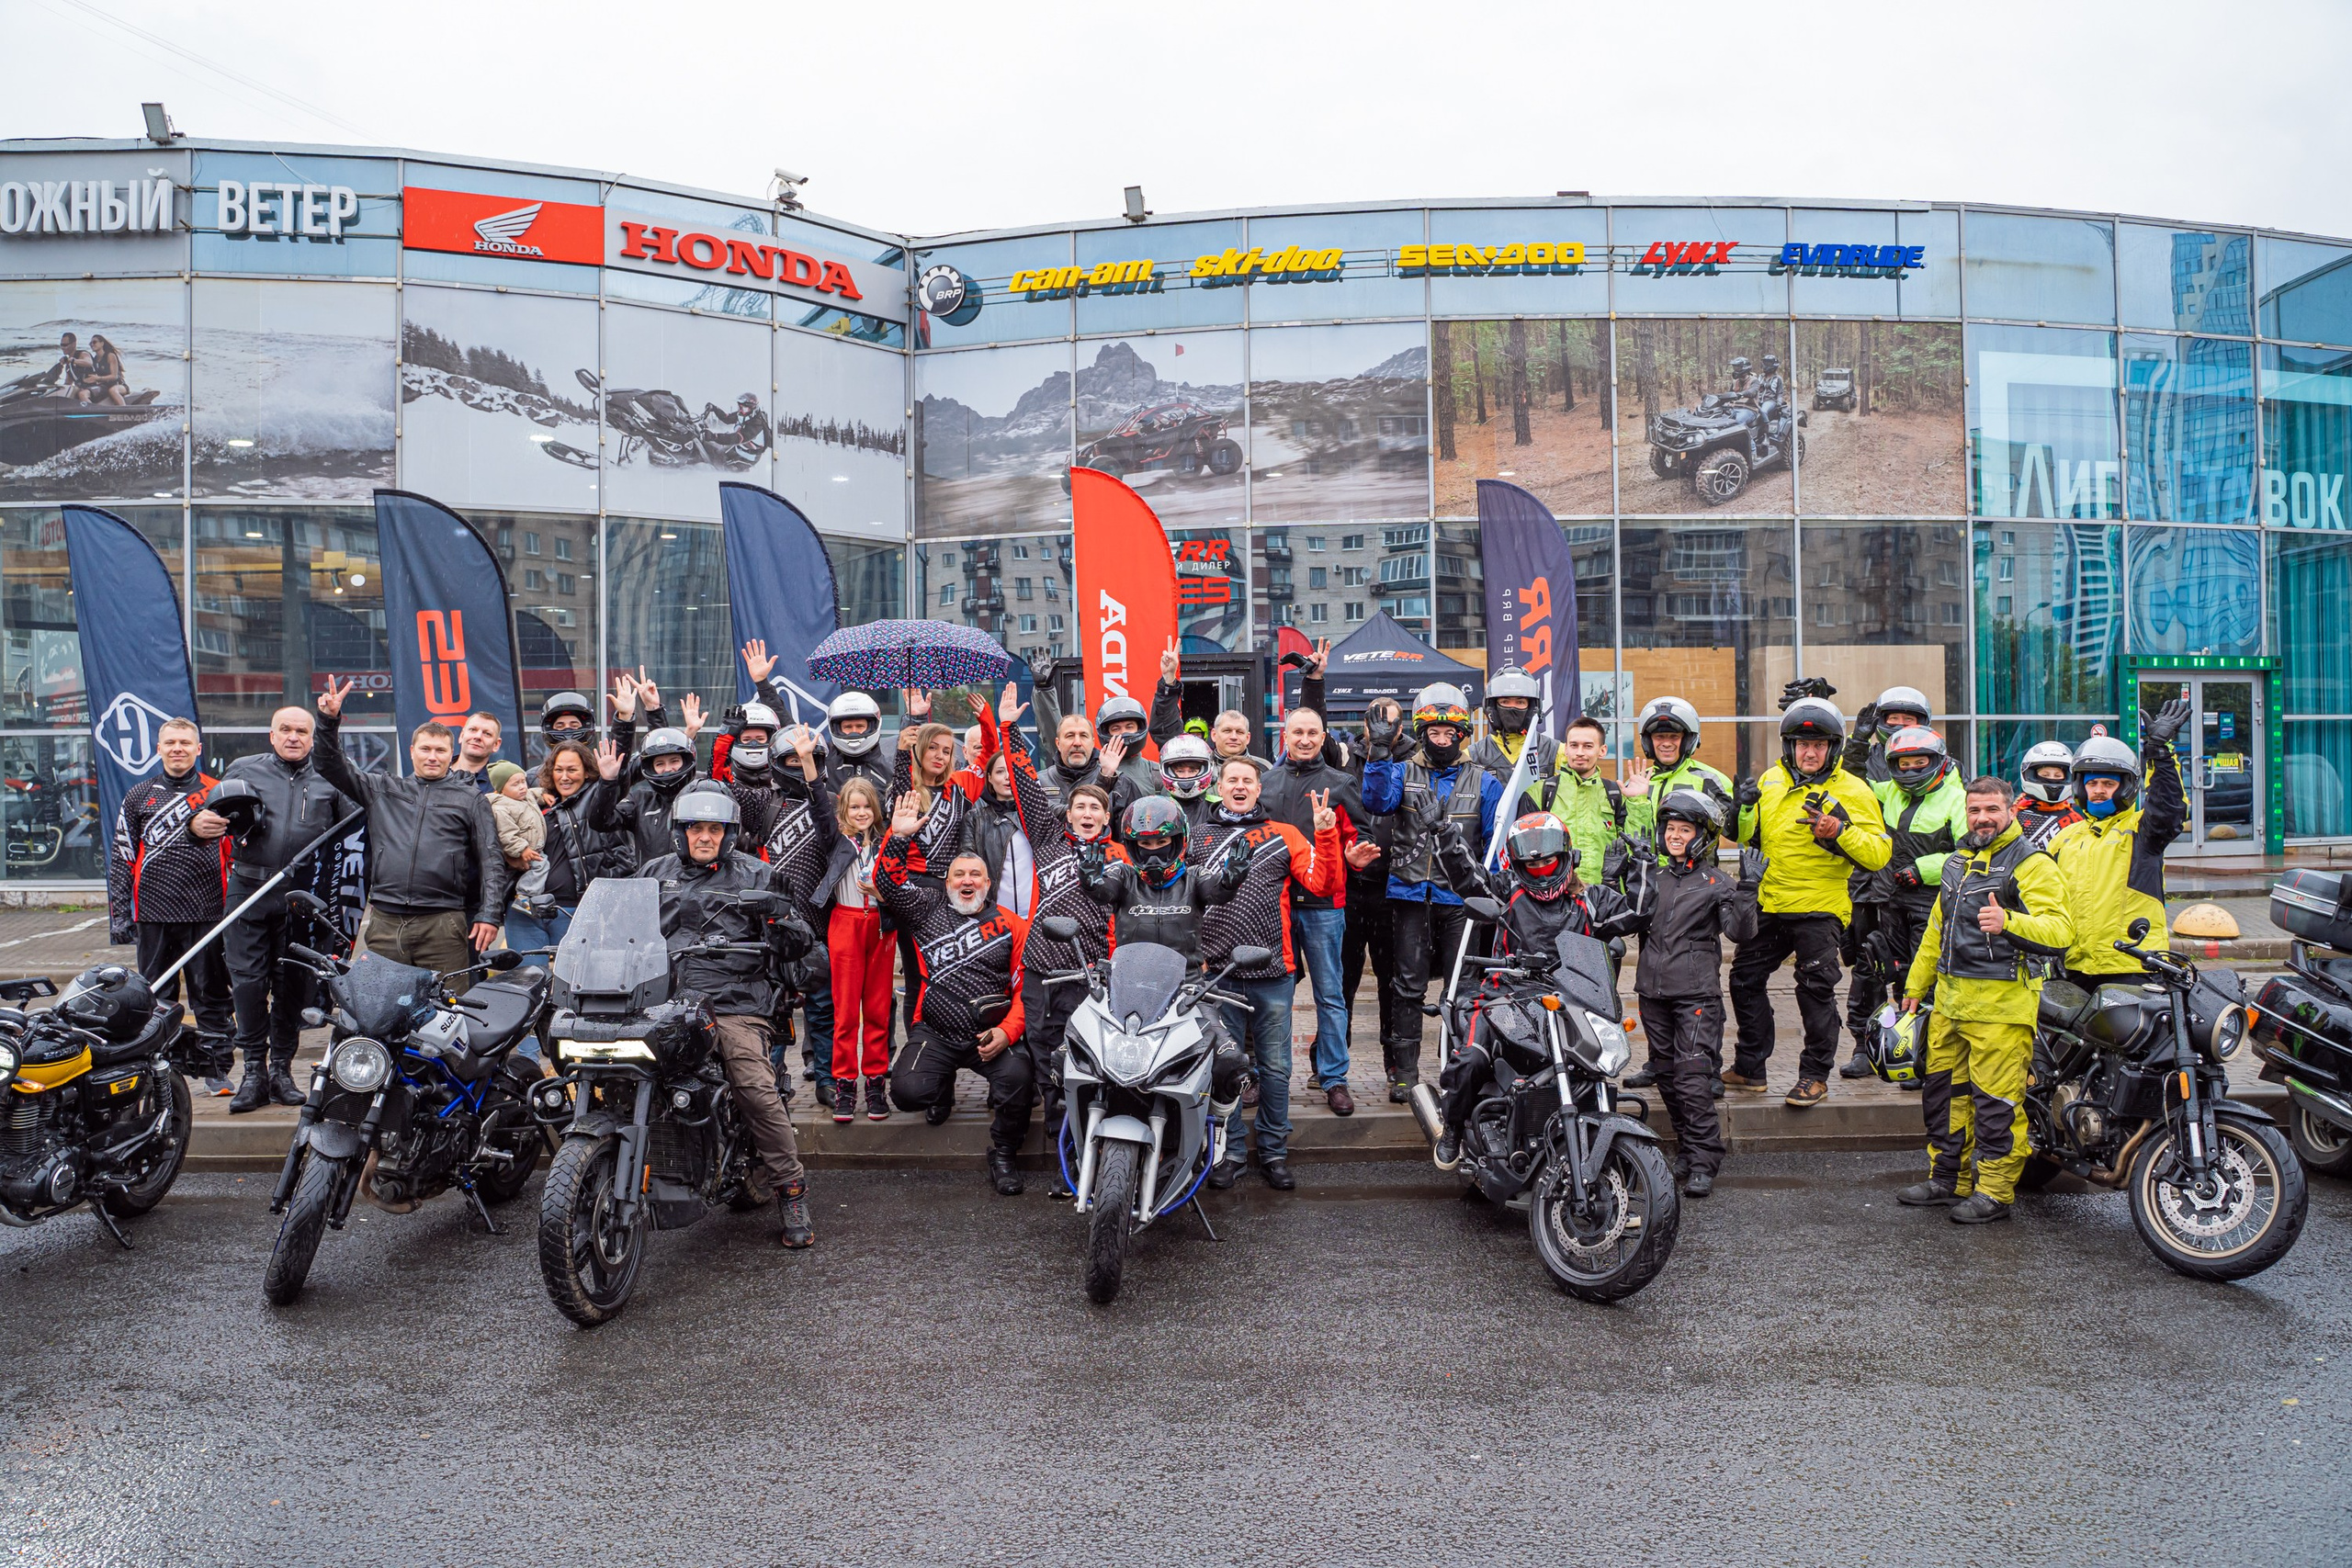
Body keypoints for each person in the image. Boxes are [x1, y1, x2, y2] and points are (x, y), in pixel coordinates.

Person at [639, 781, 814, 1247]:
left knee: (753, 1086)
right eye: (695, 827)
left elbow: (800, 941)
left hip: (733, 1002)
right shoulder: (653, 872)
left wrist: (778, 917)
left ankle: (790, 1188)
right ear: (679, 831)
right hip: (661, 999)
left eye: (714, 829)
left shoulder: (756, 875)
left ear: (729, 834)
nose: (704, 837)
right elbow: (618, 928)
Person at [1425, 812, 1646, 1172]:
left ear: (1566, 857)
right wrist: (1443, 833)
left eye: (1548, 863)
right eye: (1532, 865)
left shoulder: (1591, 899)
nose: (1541, 872)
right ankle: (1452, 1128)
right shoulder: (1507, 889)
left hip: (1569, 1000)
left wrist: (1642, 865)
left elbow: (1637, 913)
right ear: (1518, 865)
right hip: (1504, 996)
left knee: (1593, 1065)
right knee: (1472, 1060)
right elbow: (1468, 879)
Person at [1897, 777, 2075, 1224]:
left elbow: (2060, 931)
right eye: (1975, 810)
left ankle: (1995, 1192)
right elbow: (1936, 931)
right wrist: (1915, 987)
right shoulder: (1957, 862)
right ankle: (1948, 1180)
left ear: (2011, 811)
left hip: (2001, 1007)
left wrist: (2009, 921)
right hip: (1950, 1004)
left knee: (1997, 1105)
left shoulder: (2031, 863)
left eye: (1992, 810)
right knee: (1944, 1098)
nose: (1982, 819)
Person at [1726, 696, 1892, 1109]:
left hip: (1820, 906)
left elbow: (1878, 854)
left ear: (1833, 748)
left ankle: (1814, 1076)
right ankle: (1750, 1068)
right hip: (1771, 901)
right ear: (1790, 746)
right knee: (1743, 979)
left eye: (1819, 745)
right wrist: (1742, 808)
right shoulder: (1771, 781)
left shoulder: (1852, 789)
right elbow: (1747, 837)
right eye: (1802, 744)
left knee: (1814, 990)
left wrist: (1840, 831)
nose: (1810, 752)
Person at [998, 691, 1131, 1195]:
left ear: (1106, 817)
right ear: (1067, 815)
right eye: (1079, 807)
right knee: (1049, 1065)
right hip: (1041, 972)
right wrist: (1009, 730)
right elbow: (1025, 786)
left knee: (1087, 1068)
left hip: (1091, 975)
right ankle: (1065, 1163)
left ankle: (1090, 1160)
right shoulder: (1049, 840)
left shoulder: (1120, 857)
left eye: (1096, 808)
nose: (1087, 813)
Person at [1190, 755, 1343, 1190]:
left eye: (1248, 781)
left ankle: (1274, 1153)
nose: (1240, 786)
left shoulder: (1285, 833)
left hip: (1274, 971)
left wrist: (1326, 834)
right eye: (1232, 780)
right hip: (1216, 974)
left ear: (1260, 790)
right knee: (1224, 1070)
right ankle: (1231, 1152)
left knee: (1275, 1071)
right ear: (1219, 787)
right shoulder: (1197, 837)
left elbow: (1323, 884)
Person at [876, 795, 1034, 1197]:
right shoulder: (926, 909)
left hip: (990, 1035)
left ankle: (1003, 1153)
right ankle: (941, 1085)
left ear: (988, 883)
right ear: (946, 884)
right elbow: (887, 883)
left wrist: (1008, 1033)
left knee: (1019, 1081)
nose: (967, 881)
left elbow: (1025, 992)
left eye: (975, 875)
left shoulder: (1012, 924)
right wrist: (897, 838)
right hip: (936, 1033)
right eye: (958, 874)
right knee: (908, 1093)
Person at [1361, 682, 1509, 1102]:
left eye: (1449, 733)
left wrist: (1492, 895)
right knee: (1407, 987)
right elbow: (1376, 802)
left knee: (1461, 991)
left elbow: (1494, 846)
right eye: (1434, 732)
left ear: (1462, 735)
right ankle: (1405, 1075)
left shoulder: (1485, 781)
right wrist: (1379, 753)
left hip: (1461, 902)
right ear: (1422, 733)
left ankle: (1456, 1070)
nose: (1442, 739)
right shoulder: (1402, 772)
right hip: (1410, 894)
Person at [313, 678, 507, 986]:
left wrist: (490, 914)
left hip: (444, 923)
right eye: (426, 749)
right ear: (412, 750)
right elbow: (328, 764)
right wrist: (328, 720)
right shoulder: (382, 789)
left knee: (448, 1006)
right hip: (386, 922)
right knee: (380, 1005)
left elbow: (492, 860)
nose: (432, 756)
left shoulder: (471, 798)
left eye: (440, 750)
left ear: (451, 753)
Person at [220, 705, 356, 1113]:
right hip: (249, 887)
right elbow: (213, 817)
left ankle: (281, 1071)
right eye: (285, 729)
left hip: (305, 893)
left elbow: (357, 829)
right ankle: (253, 1073)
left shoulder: (331, 776)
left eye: (301, 731)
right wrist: (201, 825)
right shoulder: (244, 769)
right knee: (247, 982)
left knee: (294, 985)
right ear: (272, 735)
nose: (293, 737)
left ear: (312, 738)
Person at [1625, 791, 1760, 1196]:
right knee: (1666, 1076)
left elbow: (1740, 932)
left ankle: (1704, 1160)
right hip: (1652, 993)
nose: (1675, 836)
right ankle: (1686, 1149)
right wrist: (1627, 874)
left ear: (1702, 836)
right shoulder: (1657, 878)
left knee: (1692, 1079)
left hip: (1696, 997)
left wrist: (1748, 887)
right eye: (1670, 828)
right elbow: (1627, 920)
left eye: (1684, 830)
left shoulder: (1717, 883)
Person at [1256, 701, 1379, 1115]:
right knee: (1274, 997)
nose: (1305, 739)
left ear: (1323, 738)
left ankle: (1334, 1077)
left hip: (1325, 905)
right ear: (1285, 737)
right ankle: (1268, 1075)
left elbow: (1361, 834)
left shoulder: (1341, 783)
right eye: (1298, 732)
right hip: (1275, 905)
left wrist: (1354, 856)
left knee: (1330, 995)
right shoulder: (1265, 784)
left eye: (1313, 733)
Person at [107, 717, 234, 1096]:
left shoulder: (218, 792)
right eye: (171, 742)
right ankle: (158, 1070)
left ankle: (217, 1069)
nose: (178, 748)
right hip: (153, 914)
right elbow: (122, 856)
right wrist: (119, 915)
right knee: (155, 999)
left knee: (211, 995)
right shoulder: (138, 795)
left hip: (208, 913)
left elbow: (237, 854)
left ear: (198, 749)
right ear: (159, 749)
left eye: (185, 742)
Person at [1838, 726, 1967, 1084]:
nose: (1910, 770)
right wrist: (1857, 742)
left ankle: (1927, 1057)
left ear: (1937, 762)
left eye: (1918, 763)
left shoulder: (1958, 798)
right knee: (1875, 972)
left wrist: (1923, 869)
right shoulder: (1889, 791)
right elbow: (1852, 780)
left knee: (1925, 980)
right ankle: (1871, 1050)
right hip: (1888, 900)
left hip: (1932, 903)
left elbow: (1967, 853)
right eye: (1903, 764)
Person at [2049, 707, 2189, 994]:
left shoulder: (2141, 831)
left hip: (2132, 966)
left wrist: (2159, 752)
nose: (2099, 790)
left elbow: (2168, 808)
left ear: (2125, 788)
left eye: (2109, 784)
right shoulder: (2064, 839)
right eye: (2092, 783)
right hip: (2073, 967)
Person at [1341, 699, 1409, 1088]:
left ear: (1401, 727)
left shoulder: (1414, 761)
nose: (1381, 728)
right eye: (1374, 721)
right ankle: (1330, 1062)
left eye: (1390, 722)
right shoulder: (1345, 757)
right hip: (1348, 886)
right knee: (1342, 979)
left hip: (1393, 887)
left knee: (1392, 981)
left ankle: (1394, 1062)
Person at [818, 777, 894, 1123]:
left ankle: (875, 1082)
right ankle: (845, 1084)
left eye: (867, 806)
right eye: (854, 807)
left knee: (878, 1009)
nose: (861, 813)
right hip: (846, 923)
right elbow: (818, 807)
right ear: (843, 811)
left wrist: (883, 896)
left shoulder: (886, 841)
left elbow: (898, 881)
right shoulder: (835, 839)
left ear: (875, 809)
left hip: (879, 926)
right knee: (846, 1012)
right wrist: (808, 764)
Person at [585, 726, 698, 869]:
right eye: (660, 764)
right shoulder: (640, 801)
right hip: (652, 881)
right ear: (650, 768)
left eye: (674, 761)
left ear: (686, 761)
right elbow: (600, 822)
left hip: (695, 880)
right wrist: (608, 781)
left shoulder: (701, 796)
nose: (668, 769)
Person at [1623, 696, 1731, 838]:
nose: (1666, 743)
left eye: (1674, 736)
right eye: (1660, 737)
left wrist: (1743, 810)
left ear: (1687, 741)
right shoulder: (1635, 783)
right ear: (1648, 742)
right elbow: (1623, 833)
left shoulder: (1709, 780)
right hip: (1643, 854)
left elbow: (1736, 834)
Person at [1465, 665, 1559, 821]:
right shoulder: (1472, 755)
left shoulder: (1556, 751)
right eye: (1505, 701)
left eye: (1520, 702)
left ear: (1532, 707)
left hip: (1538, 833)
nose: (1512, 707)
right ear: (1493, 707)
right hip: (1491, 834)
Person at [1540, 716, 1629, 874]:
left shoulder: (1616, 794)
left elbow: (1636, 847)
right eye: (1574, 745)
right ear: (1566, 749)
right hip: (1557, 889)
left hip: (1606, 888)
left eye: (1588, 746)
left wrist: (1639, 802)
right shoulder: (1541, 792)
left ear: (1602, 750)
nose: (1580, 752)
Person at [2015, 740, 2084, 851]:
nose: (2052, 779)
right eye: (2045, 775)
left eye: (2057, 775)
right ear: (2030, 775)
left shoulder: (2075, 819)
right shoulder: (2015, 816)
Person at [1157, 733, 1217, 829]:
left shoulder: (1218, 807)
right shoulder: (1156, 809)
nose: (1186, 776)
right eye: (1180, 771)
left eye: (1192, 771)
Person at [449, 713, 504, 791]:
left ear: (496, 745)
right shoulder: (435, 771)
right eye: (472, 730)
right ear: (461, 736)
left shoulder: (499, 787)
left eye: (487, 734)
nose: (478, 736)